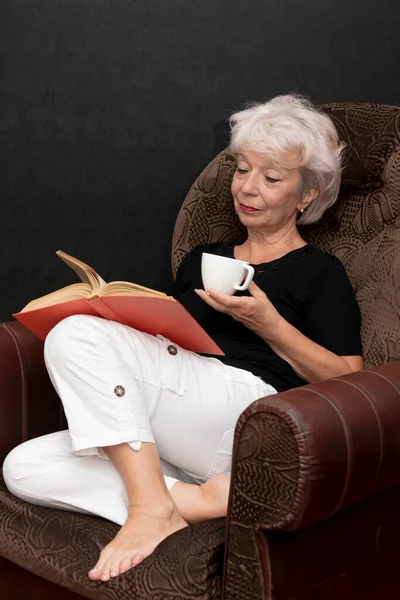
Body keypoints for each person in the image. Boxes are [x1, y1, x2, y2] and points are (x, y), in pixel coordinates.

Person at [3, 94, 363, 582]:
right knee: (23, 467)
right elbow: (172, 347)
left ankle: (151, 508)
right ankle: (190, 498)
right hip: (181, 424)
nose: (247, 188)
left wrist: (269, 324)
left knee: (74, 335)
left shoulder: (320, 273)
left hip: (248, 413)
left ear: (306, 196)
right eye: (241, 170)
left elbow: (349, 380)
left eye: (271, 178)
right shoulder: (203, 258)